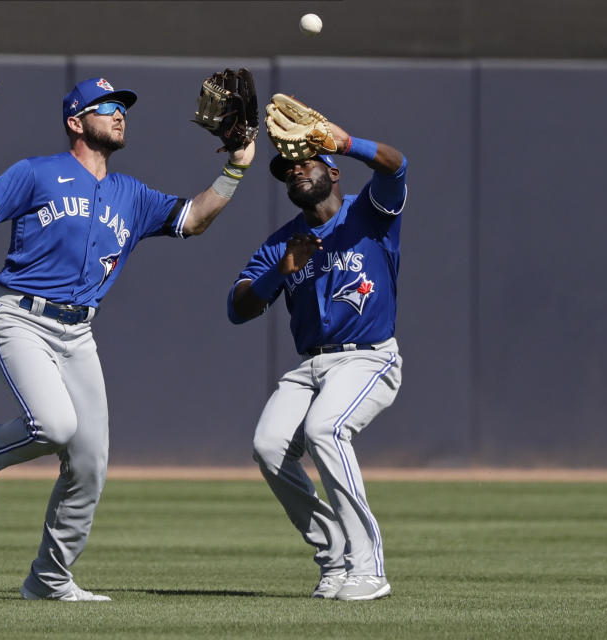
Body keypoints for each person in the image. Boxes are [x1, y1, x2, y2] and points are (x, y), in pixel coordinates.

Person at [0, 76, 255, 602]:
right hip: (20, 317)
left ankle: (48, 579)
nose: (119, 114)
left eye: (123, 108)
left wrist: (235, 169)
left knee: (89, 464)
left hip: (79, 332)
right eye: (106, 106)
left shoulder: (131, 195)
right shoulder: (37, 172)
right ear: (76, 121)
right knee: (54, 425)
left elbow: (195, 218)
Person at [227, 113, 407, 601]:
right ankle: (334, 558)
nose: (295, 171)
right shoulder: (281, 244)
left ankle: (368, 568)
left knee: (326, 429)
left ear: (333, 170)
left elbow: (396, 166)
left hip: (368, 357)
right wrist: (280, 272)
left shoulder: (368, 213)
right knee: (268, 446)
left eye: (305, 162)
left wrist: (347, 141)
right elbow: (238, 308)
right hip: (311, 366)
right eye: (287, 169)